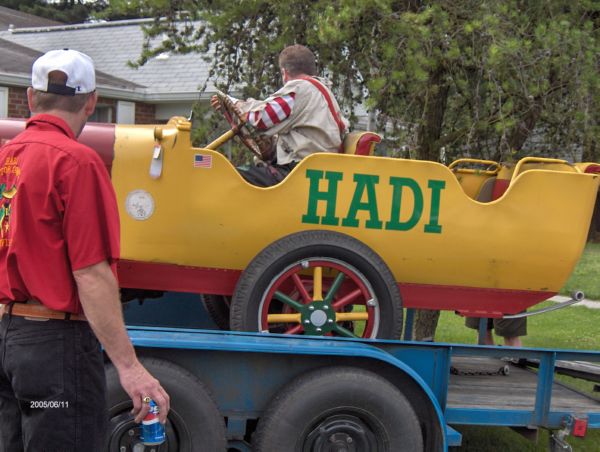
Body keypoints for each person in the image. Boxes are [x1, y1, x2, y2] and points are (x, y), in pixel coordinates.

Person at [0, 49, 169, 451]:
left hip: (8, 343)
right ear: (91, 101)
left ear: (30, 97)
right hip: (53, 352)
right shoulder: (77, 163)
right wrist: (130, 369)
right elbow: (91, 273)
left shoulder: (6, 158)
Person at [211, 44, 348, 186]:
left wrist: (234, 103)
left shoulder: (300, 89)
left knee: (228, 176)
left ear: (284, 73)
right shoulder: (320, 93)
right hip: (316, 171)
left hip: (302, 172)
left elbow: (259, 118)